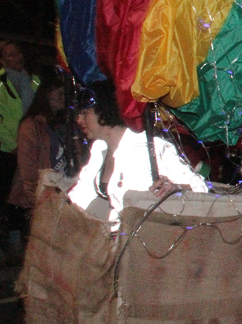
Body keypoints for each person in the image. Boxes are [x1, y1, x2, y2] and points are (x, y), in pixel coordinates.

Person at [67, 81, 208, 227]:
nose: (78, 120)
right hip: (110, 241)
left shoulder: (151, 146)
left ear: (104, 109)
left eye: (85, 113)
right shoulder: (99, 149)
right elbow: (81, 196)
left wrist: (176, 188)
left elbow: (200, 188)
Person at [5, 74, 68, 242]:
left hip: (59, 191)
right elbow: (27, 166)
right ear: (46, 97)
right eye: (59, 94)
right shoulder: (31, 125)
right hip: (39, 196)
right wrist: (36, 199)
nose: (64, 98)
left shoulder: (59, 123)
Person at [0, 41, 40, 254]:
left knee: (22, 194)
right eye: (11, 55)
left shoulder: (34, 81)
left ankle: (18, 241)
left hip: (28, 147)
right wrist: (10, 143)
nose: (17, 58)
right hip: (5, 149)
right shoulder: (0, 82)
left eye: (19, 53)